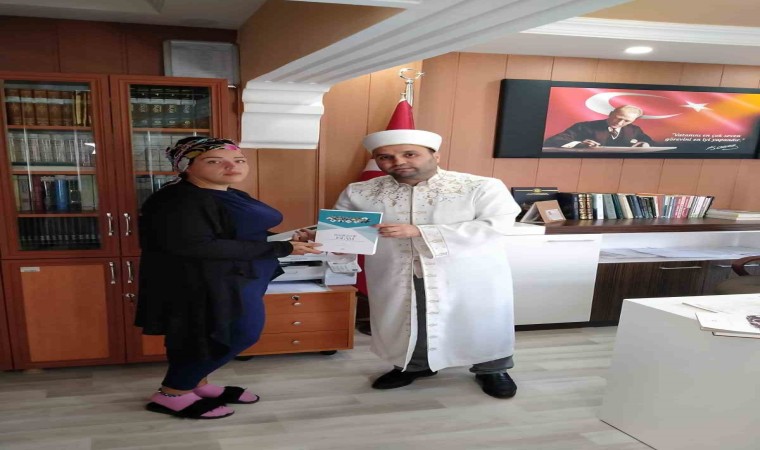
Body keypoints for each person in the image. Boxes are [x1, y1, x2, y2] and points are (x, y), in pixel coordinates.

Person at [295, 104, 522, 399]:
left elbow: (497, 225)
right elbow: (349, 232)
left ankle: (493, 369)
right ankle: (413, 366)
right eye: (385, 157)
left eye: (410, 154)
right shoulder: (360, 191)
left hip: (467, 273)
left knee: (480, 318)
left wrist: (420, 231)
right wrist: (322, 237)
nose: (398, 162)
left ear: (435, 156)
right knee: (407, 320)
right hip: (395, 270)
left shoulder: (479, 186)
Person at [136, 137, 322, 419]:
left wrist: (289, 239)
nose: (232, 166)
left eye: (239, 160)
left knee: (206, 336)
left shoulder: (227, 192)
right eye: (214, 161)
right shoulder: (178, 200)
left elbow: (241, 234)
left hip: (237, 276)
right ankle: (172, 393)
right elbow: (197, 246)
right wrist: (281, 248)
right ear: (187, 166)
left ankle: (197, 384)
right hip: (205, 283)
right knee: (236, 333)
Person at [543, 105, 653, 149]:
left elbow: (653, 144)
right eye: (618, 118)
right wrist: (580, 144)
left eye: (627, 121)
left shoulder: (634, 130)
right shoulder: (584, 126)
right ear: (611, 114)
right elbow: (553, 140)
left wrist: (645, 144)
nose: (620, 123)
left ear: (633, 121)